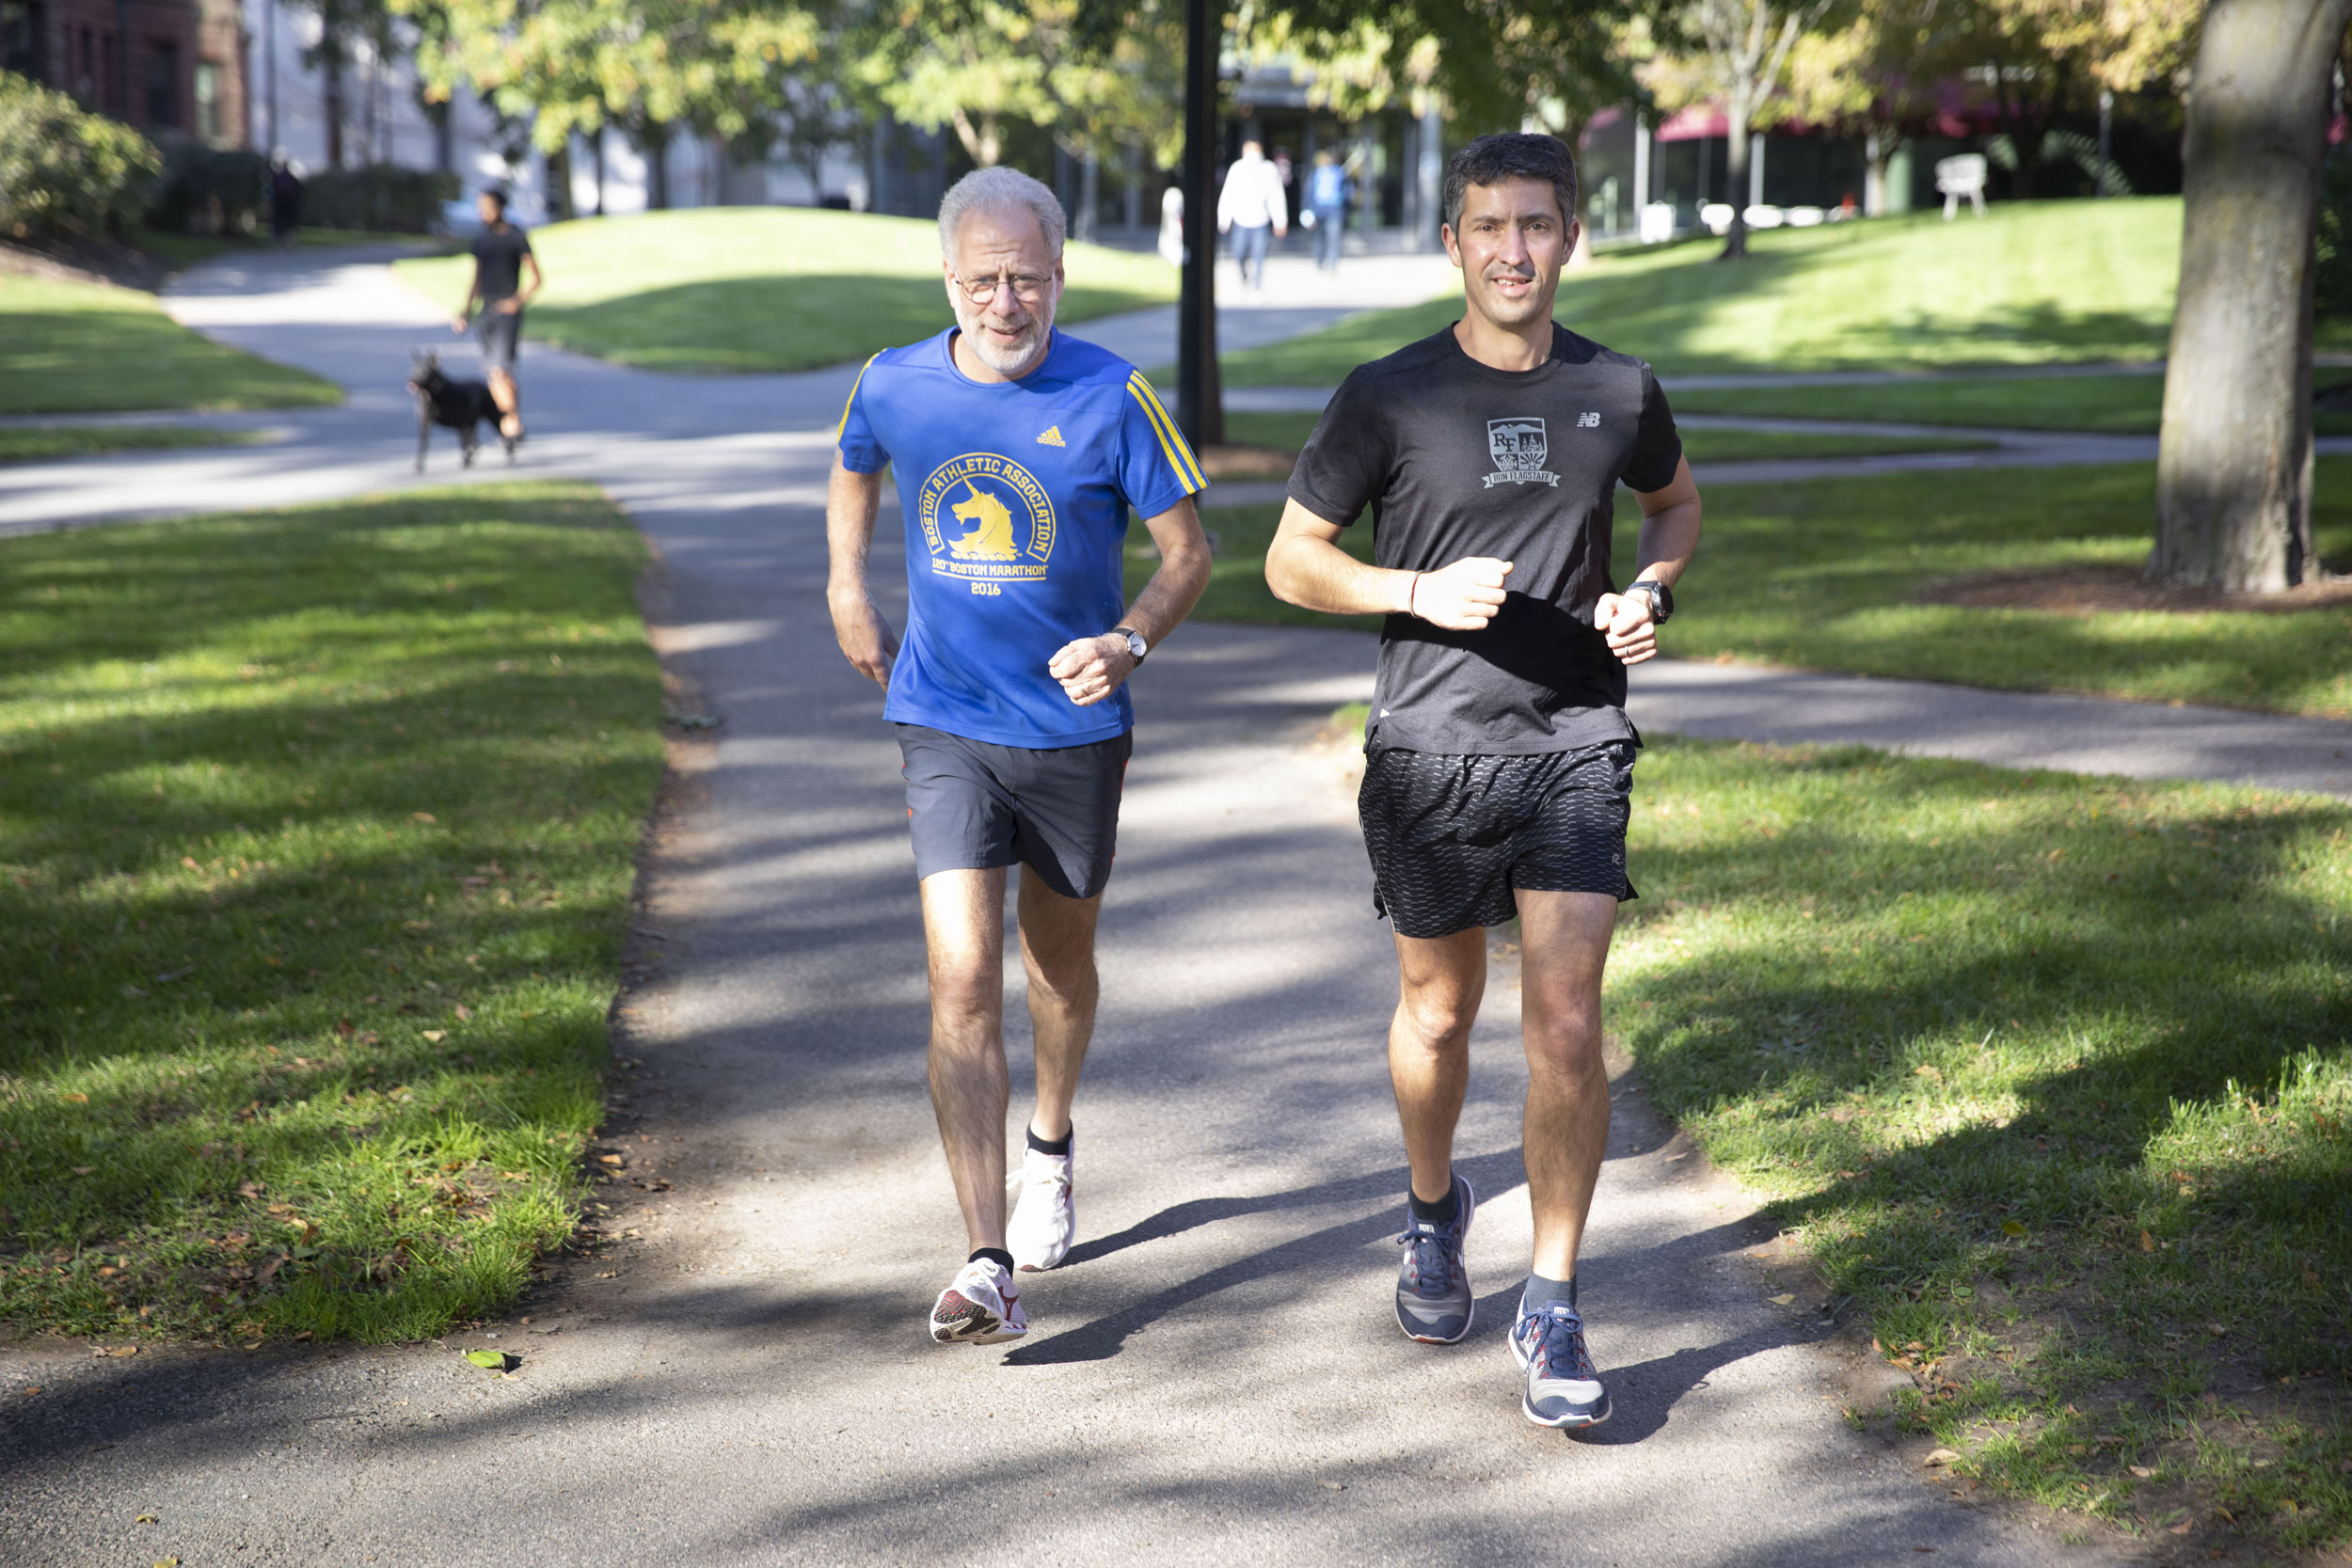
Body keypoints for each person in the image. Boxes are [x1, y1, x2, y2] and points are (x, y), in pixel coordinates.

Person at [1262, 133, 1702, 1429]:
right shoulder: (1387, 395)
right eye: (1489, 225)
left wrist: (1648, 590)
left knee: (1566, 1017)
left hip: (1573, 734)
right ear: (1453, 241)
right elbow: (1291, 561)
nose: (1514, 249)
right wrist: (1411, 591)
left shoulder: (1619, 389)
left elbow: (1675, 506)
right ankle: (1431, 1205)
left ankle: (1555, 1295)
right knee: (1440, 1012)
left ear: (1573, 236)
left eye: (1538, 224)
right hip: (1430, 747)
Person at [826, 166, 1215, 1346]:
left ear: (1060, 277)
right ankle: (986, 1257)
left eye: (1029, 279)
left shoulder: (1113, 394)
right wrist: (845, 580)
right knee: (960, 977)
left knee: (1056, 967)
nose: (1008, 302)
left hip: (1073, 733)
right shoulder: (893, 379)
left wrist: (1129, 639)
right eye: (985, 279)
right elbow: (856, 462)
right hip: (941, 714)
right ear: (950, 279)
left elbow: (1188, 552)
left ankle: (1051, 1141)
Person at [450, 188, 541, 443]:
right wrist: (465, 312)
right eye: (481, 208)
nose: (483, 213)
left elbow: (536, 277)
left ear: (500, 208)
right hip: (486, 309)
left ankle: (511, 424)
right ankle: (509, 421)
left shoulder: (515, 237)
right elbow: (476, 280)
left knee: (501, 369)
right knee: (493, 372)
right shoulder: (481, 240)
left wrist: (516, 301)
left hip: (507, 311)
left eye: (487, 208)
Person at [1216, 139, 1288, 292]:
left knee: (1259, 256)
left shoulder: (1269, 169)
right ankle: (1244, 275)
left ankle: (1257, 286)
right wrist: (1224, 219)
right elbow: (1228, 195)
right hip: (1241, 220)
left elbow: (1276, 196)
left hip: (1261, 221)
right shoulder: (1237, 168)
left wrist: (1280, 221)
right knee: (1239, 253)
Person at [1305, 150, 1350, 273]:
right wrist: (1308, 210)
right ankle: (1320, 262)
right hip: (1318, 211)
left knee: (1333, 238)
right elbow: (1309, 193)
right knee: (1320, 238)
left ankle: (1332, 264)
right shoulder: (1316, 174)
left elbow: (1347, 192)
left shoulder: (1340, 173)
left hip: (1335, 211)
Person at [268, 155, 303, 249]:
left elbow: (272, 191)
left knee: (280, 224)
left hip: (280, 203)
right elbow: (298, 190)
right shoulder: (292, 177)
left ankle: (281, 243)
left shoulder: (277, 177)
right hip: (290, 203)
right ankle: (290, 242)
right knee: (290, 224)